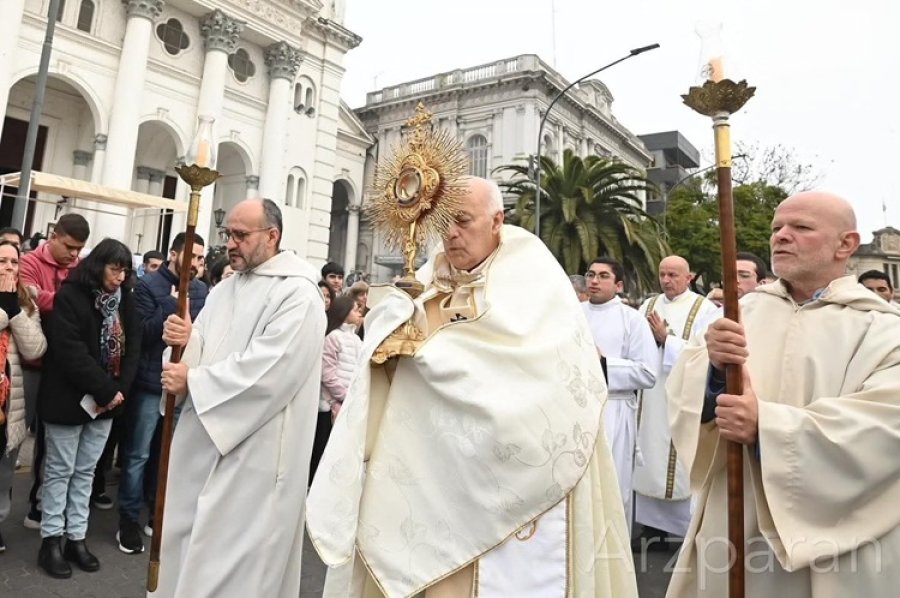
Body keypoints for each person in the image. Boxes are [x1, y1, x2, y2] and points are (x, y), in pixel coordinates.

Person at [307, 177, 636, 597]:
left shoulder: (533, 280)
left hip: (510, 480)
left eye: (463, 221)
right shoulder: (425, 279)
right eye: (444, 222)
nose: (451, 233)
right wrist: (385, 340)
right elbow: (382, 342)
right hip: (427, 477)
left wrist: (424, 356)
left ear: (498, 220)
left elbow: (538, 372)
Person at [666, 191, 900, 596]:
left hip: (838, 534)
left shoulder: (883, 329)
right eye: (777, 228)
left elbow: (886, 425)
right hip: (737, 513)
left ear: (846, 244)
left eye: (801, 228)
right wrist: (715, 374)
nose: (781, 237)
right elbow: (685, 393)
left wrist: (767, 427)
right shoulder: (744, 312)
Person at [153, 199, 326, 597]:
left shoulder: (298, 294)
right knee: (190, 552)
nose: (231, 244)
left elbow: (270, 370)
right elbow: (208, 347)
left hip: (257, 456)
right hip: (203, 441)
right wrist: (186, 342)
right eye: (228, 234)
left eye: (241, 235)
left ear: (272, 235)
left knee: (235, 571)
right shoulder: (224, 289)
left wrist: (193, 381)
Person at [36, 238, 140, 578]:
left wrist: (118, 391)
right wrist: (107, 389)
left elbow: (133, 349)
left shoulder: (126, 301)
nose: (120, 277)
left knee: (85, 472)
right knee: (59, 471)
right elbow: (70, 351)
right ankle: (51, 539)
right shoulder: (71, 295)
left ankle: (75, 538)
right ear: (98, 266)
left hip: (107, 403)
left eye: (125, 270)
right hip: (69, 399)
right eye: (115, 269)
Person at [115, 233, 208, 554]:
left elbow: (201, 334)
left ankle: (157, 510)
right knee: (138, 454)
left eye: (200, 258)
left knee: (166, 453)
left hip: (181, 384)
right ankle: (127, 520)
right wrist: (171, 304)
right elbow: (140, 331)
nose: (196, 264)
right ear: (173, 254)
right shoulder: (148, 285)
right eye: (191, 256)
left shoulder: (201, 289)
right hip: (149, 381)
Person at [633, 256, 718, 546]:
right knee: (649, 452)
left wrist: (665, 339)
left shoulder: (704, 309)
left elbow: (703, 353)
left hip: (683, 393)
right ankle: (650, 527)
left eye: (672, 275)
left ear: (688, 277)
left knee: (676, 455)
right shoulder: (648, 305)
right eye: (662, 274)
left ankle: (683, 529)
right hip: (651, 391)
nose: (666, 280)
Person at [19, 213, 90, 530]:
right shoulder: (30, 262)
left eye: (80, 250)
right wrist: (65, 301)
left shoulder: (80, 268)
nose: (75, 256)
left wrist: (45, 297)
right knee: (16, 437)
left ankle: (39, 505)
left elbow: (59, 304)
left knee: (50, 443)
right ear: (54, 237)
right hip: (29, 364)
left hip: (62, 368)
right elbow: (27, 304)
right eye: (71, 247)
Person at [582, 257, 657, 534]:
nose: (594, 281)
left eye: (603, 276)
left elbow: (648, 373)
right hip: (575, 411)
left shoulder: (632, 320)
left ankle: (614, 564)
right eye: (590, 274)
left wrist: (603, 364)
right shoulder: (571, 314)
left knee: (612, 488)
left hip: (614, 412)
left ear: (619, 285)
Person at [0, 241, 47, 553]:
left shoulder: (27, 302)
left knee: (3, 476)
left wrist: (14, 310)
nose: (9, 268)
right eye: (2, 261)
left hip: (9, 408)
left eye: (14, 262)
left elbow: (36, 348)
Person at [309, 295, 363, 486]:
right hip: (332, 403)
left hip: (350, 401)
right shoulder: (333, 338)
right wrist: (344, 395)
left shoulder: (356, 339)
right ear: (344, 311)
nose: (359, 313)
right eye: (355, 309)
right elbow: (328, 373)